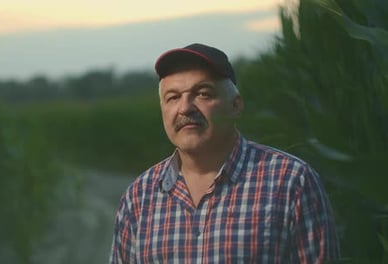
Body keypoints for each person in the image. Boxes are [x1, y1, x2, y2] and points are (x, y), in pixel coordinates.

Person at [109, 43, 340, 263]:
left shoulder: (291, 182)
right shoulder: (139, 197)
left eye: (203, 94)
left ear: (236, 105)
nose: (185, 107)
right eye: (173, 97)